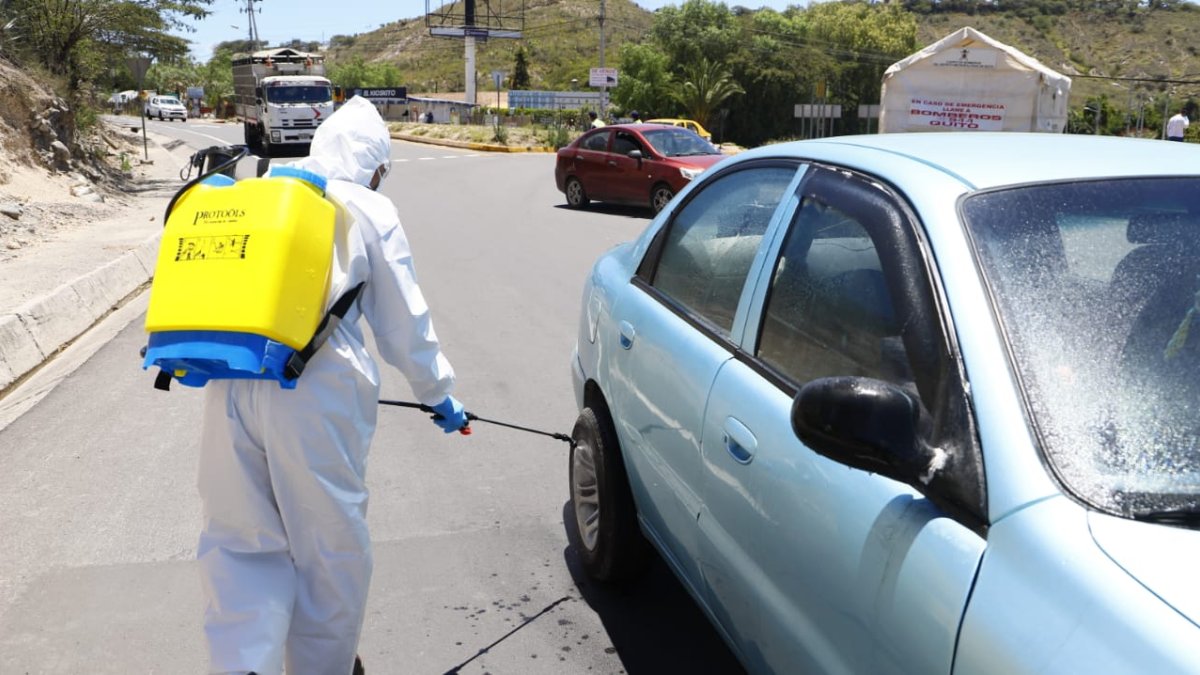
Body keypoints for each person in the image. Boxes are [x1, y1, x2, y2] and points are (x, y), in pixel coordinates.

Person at [195, 95, 468, 675]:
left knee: (241, 541)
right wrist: (437, 393)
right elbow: (404, 322)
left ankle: (245, 666)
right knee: (329, 550)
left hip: (234, 379)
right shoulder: (366, 205)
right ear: (374, 162)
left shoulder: (265, 189)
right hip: (315, 391)